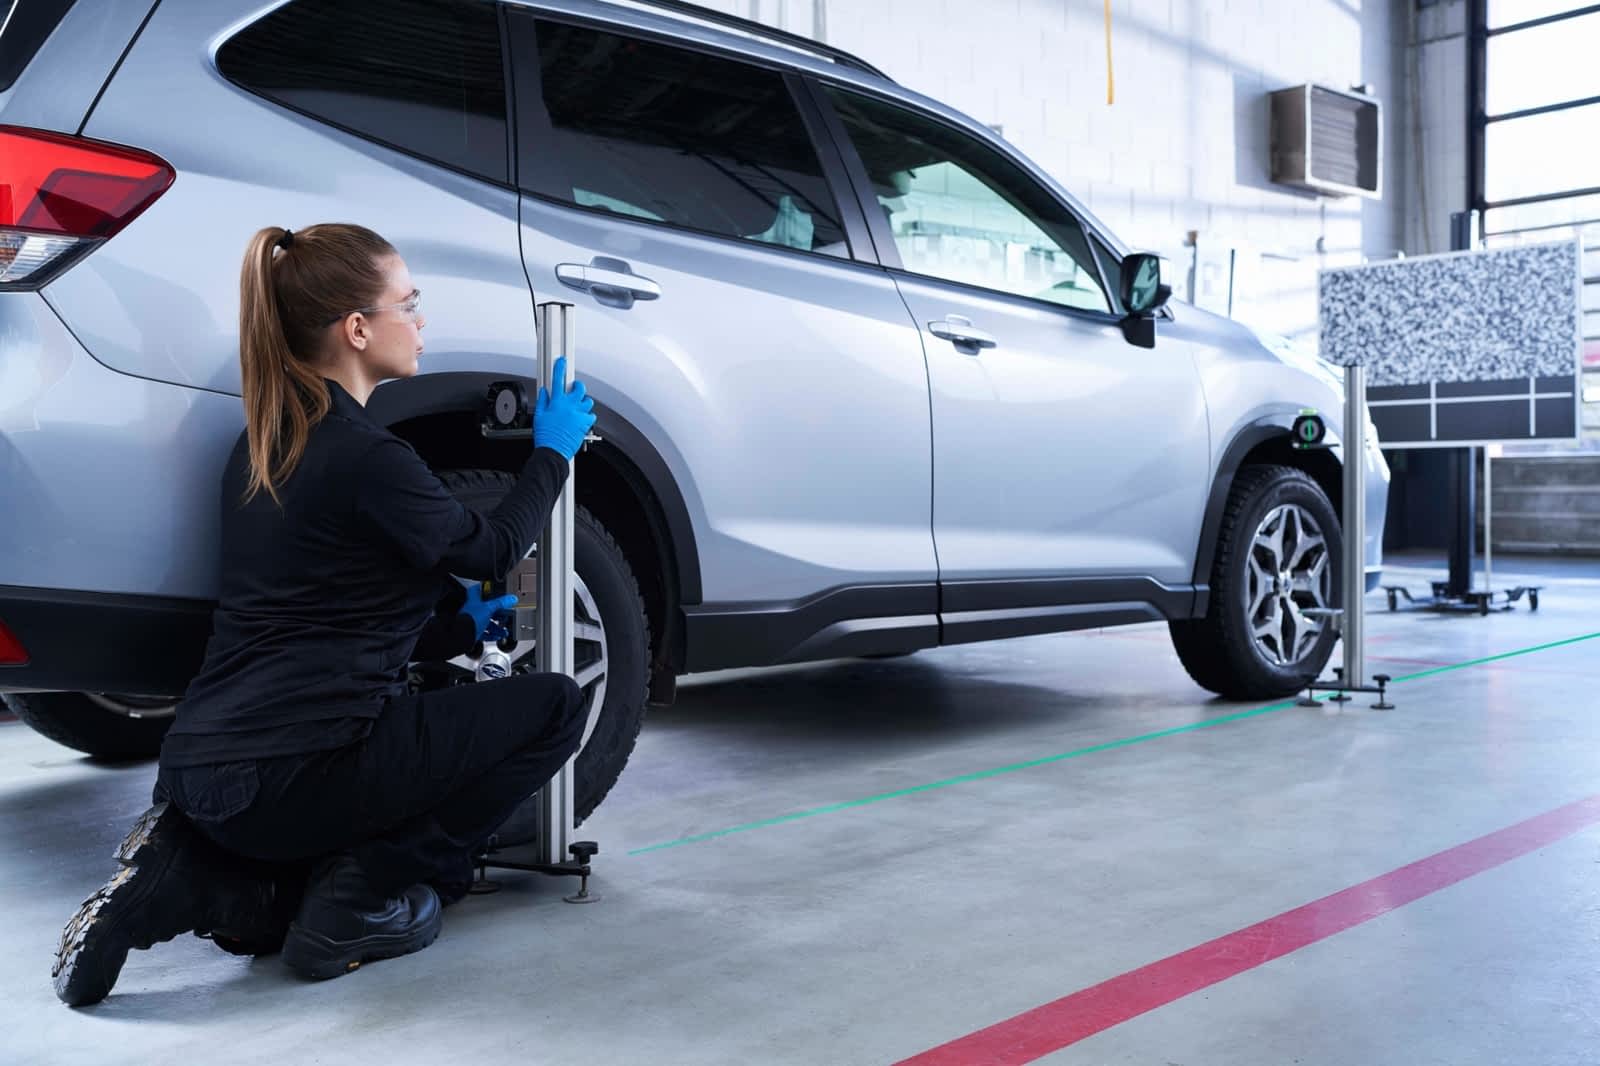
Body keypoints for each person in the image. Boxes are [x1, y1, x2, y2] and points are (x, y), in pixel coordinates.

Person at [52, 223, 597, 1005]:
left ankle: (179, 878)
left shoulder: (262, 444)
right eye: (410, 303)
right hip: (296, 778)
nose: (421, 320)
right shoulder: (371, 457)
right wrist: (553, 452)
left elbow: (332, 603)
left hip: (196, 768)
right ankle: (363, 895)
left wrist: (453, 622)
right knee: (555, 705)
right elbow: (493, 550)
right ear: (357, 329)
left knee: (267, 914)